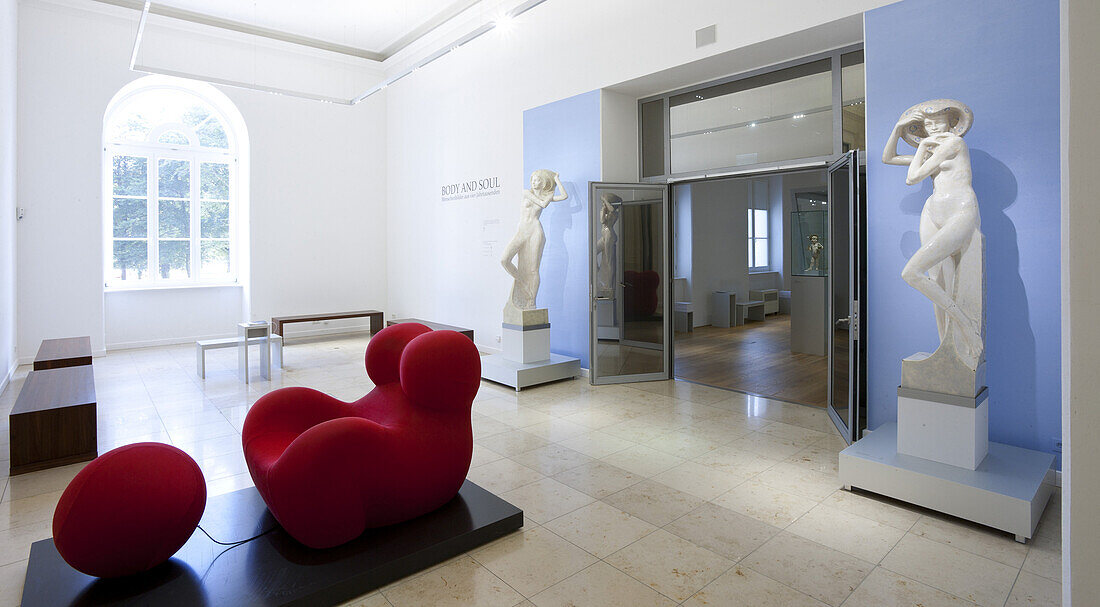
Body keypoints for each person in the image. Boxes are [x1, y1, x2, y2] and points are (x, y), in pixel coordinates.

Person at [882, 99, 983, 369]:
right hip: (933, 211)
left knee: (911, 273)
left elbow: (912, 177)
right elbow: (888, 158)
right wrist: (897, 129)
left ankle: (967, 327)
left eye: (939, 121)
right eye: (927, 123)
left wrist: (924, 144)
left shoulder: (954, 144)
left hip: (960, 209)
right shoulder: (930, 150)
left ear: (952, 123)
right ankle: (945, 348)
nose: (933, 126)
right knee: (936, 280)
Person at [500, 170, 567, 318]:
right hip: (522, 231)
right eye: (533, 180)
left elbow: (564, 196)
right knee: (504, 260)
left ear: (542, 183)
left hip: (535, 232)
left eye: (537, 180)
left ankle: (531, 300)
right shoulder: (526, 192)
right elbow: (543, 204)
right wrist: (548, 197)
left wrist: (556, 180)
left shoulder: (546, 196)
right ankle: (522, 283)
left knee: (533, 269)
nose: (534, 182)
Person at [595, 193, 621, 297]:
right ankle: (598, 272)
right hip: (604, 235)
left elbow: (612, 210)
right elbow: (602, 221)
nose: (603, 203)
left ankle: (609, 285)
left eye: (604, 201)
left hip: (610, 235)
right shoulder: (605, 210)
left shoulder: (614, 212)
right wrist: (603, 209)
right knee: (593, 252)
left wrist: (605, 201)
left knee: (609, 260)